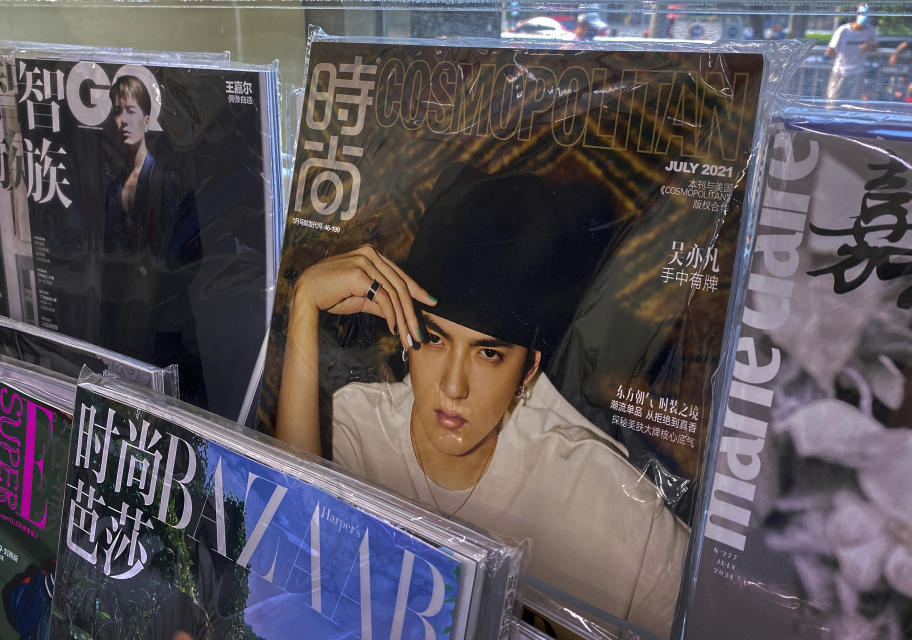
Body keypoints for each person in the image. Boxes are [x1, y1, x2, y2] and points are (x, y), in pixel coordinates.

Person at [275, 168, 689, 637]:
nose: (453, 387)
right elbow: (283, 563)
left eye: (488, 353)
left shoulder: (611, 503)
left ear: (528, 369)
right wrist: (305, 302)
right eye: (433, 338)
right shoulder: (348, 429)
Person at [100, 75, 206, 405]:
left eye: (130, 111)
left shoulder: (172, 182)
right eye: (117, 112)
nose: (123, 120)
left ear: (147, 118)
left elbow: (190, 259)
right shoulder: (113, 187)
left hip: (167, 333)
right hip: (123, 331)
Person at [825, 4, 878, 101]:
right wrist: (839, 60)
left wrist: (869, 46)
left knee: (854, 103)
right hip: (839, 71)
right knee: (833, 101)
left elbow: (875, 46)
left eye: (870, 15)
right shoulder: (843, 30)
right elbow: (830, 50)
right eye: (865, 14)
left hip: (858, 72)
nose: (868, 18)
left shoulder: (870, 30)